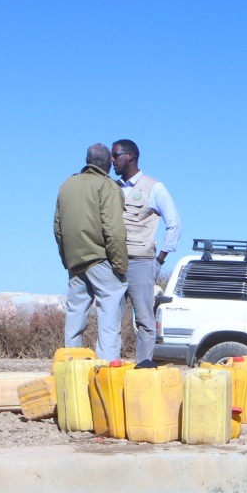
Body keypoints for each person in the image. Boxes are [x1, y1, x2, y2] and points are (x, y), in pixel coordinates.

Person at [111, 139, 182, 367]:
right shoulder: (114, 188)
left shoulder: (154, 188)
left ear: (130, 156)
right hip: (113, 262)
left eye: (116, 155)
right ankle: (110, 367)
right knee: (110, 318)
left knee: (144, 318)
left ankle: (143, 366)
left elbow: (174, 224)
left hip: (141, 263)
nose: (112, 160)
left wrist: (160, 259)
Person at [53, 143, 128, 359]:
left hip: (75, 261)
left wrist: (67, 259)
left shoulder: (67, 184)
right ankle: (106, 371)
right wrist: (120, 266)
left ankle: (70, 365)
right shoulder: (108, 186)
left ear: (87, 160)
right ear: (107, 163)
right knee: (109, 316)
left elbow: (57, 227)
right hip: (100, 260)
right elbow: (114, 230)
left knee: (75, 314)